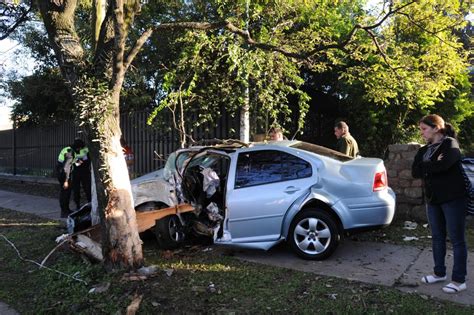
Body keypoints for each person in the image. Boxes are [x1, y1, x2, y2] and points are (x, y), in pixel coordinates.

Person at [411, 114, 467, 294]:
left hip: (453, 199)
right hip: (433, 200)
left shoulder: (450, 143)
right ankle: (439, 273)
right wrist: (434, 162)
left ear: (436, 128)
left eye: (424, 129)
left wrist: (427, 165)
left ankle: (459, 280)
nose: (422, 133)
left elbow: (445, 166)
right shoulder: (423, 150)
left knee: (457, 240)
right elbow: (414, 171)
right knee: (437, 237)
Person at [71, 138, 91, 210]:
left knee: (87, 188)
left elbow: (88, 161)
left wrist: (78, 162)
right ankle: (78, 205)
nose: (77, 149)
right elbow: (74, 162)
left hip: (84, 172)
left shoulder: (85, 150)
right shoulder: (74, 151)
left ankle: (89, 203)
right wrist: (80, 162)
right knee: (77, 190)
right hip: (78, 172)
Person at [56, 144, 75, 217]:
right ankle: (64, 212)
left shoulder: (69, 150)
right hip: (63, 174)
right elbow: (66, 168)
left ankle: (66, 210)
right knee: (65, 193)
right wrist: (66, 181)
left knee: (66, 192)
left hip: (61, 172)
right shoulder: (70, 154)